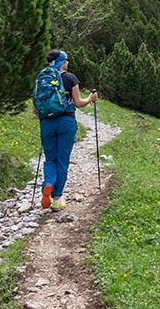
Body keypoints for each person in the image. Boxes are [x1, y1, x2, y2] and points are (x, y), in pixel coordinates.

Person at [35, 49, 97, 210]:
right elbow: (78, 103)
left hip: (46, 123)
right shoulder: (70, 78)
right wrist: (91, 98)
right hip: (66, 122)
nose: (68, 62)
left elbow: (36, 109)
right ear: (62, 61)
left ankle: (47, 184)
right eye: (67, 59)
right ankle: (57, 200)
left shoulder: (41, 79)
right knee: (62, 160)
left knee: (50, 159)